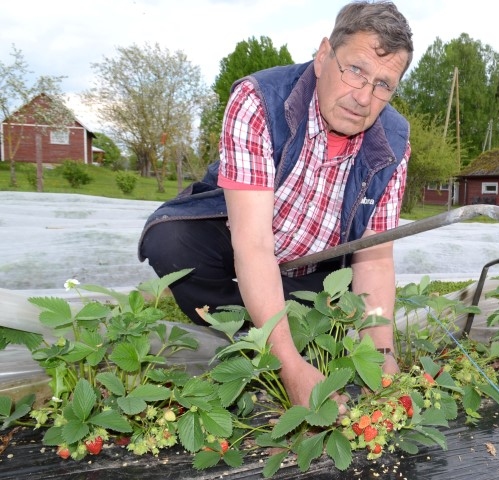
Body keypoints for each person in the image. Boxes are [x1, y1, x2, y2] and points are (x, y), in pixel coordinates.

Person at [138, 0, 414, 409]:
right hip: (245, 245)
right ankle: (275, 337)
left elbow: (374, 260)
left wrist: (382, 356)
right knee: (170, 242)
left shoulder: (393, 141)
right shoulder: (261, 101)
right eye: (355, 70)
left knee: (340, 305)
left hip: (317, 268)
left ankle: (279, 321)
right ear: (323, 56)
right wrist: (288, 365)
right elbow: (253, 245)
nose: (363, 97)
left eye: (383, 84)